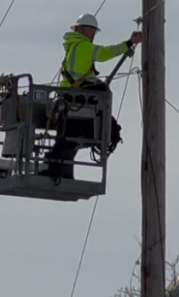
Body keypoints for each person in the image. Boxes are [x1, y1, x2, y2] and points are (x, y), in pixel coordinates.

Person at [42, 13, 143, 179]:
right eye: (92, 30)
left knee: (69, 138)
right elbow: (104, 53)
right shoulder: (83, 46)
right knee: (71, 136)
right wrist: (129, 43)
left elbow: (83, 74)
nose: (94, 34)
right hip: (77, 98)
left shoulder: (74, 46)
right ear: (82, 29)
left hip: (72, 98)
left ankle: (53, 169)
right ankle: (53, 168)